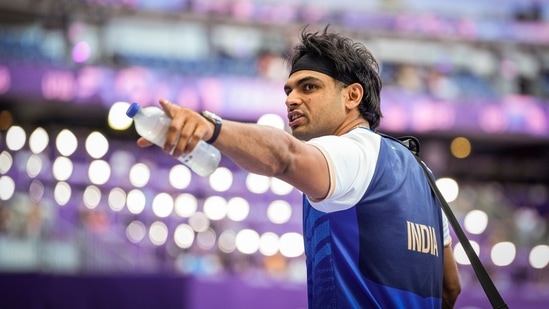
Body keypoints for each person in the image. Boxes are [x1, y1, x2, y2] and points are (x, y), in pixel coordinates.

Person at [136, 26, 461, 308]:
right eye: (289, 90)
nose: (291, 99)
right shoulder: (423, 174)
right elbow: (450, 287)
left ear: (352, 95)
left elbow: (285, 157)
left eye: (309, 87)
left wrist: (212, 128)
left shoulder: (354, 152)